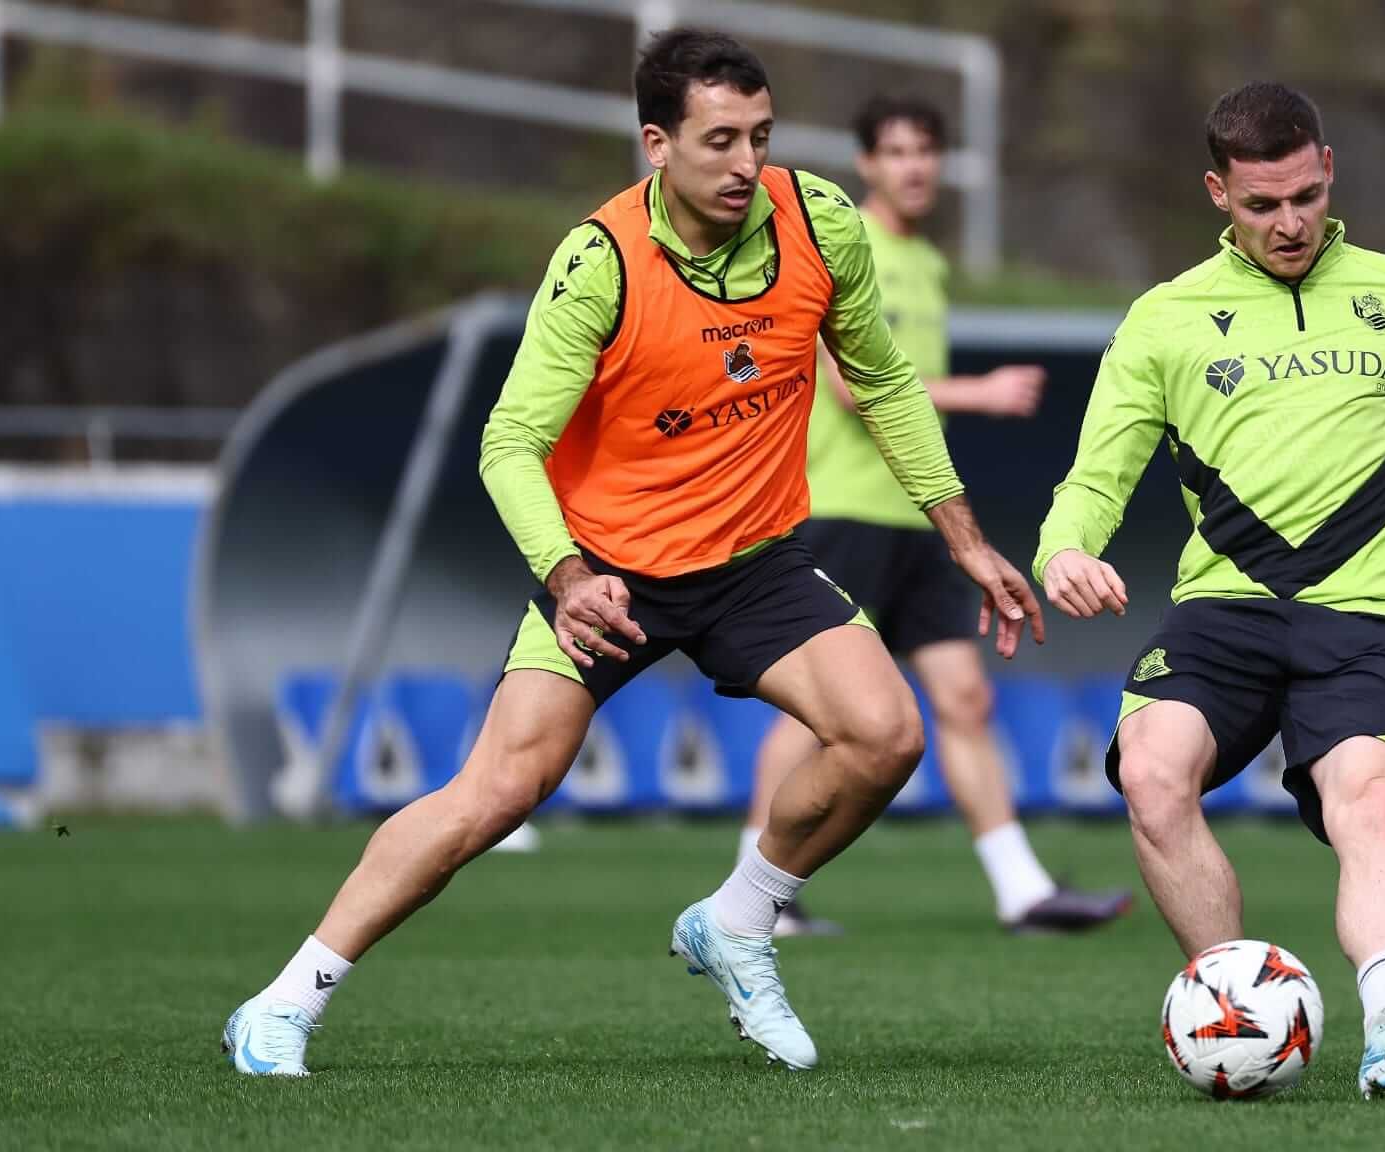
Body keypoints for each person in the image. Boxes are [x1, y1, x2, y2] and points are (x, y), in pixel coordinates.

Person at [222, 29, 1041, 1077]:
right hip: (613, 574)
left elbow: (880, 380)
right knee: (495, 793)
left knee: (885, 735)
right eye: (717, 141)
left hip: (754, 562)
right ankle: (285, 1002)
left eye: (760, 136)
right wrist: (567, 576)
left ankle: (738, 921)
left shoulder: (820, 221)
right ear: (658, 144)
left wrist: (963, 540)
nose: (746, 164)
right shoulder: (599, 261)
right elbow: (508, 443)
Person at [1033, 82, 1385, 1098]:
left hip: (1362, 620)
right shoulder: (1163, 319)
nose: (1286, 224)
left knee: (1366, 805)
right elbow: (1095, 473)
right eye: (1258, 205)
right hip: (1222, 612)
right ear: (1216, 195)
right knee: (1150, 776)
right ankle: (1234, 1006)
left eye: (1301, 199)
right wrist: (1062, 550)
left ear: (1327, 172)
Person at [739, 95, 1131, 937]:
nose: (915, 167)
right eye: (897, 152)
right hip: (839, 510)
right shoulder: (843, 246)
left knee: (964, 698)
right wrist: (979, 393)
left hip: (918, 520)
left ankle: (1020, 889)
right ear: (867, 164)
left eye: (927, 151)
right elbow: (848, 390)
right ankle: (755, 893)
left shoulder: (929, 264)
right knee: (811, 712)